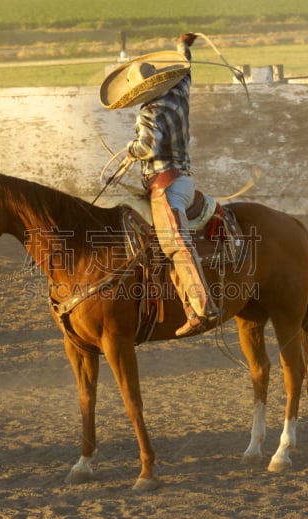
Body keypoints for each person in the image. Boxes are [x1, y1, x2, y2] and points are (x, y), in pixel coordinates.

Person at [100, 33, 220, 336]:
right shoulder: (178, 92)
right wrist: (184, 48)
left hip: (165, 185)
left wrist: (130, 150)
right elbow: (186, 73)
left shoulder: (150, 113)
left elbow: (148, 148)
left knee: (175, 242)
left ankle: (201, 306)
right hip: (183, 179)